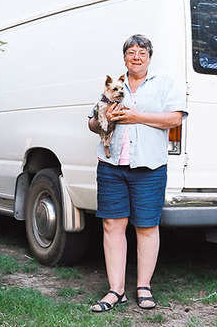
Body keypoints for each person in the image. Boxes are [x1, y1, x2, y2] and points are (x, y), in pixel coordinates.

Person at [87, 34, 186, 312]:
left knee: (146, 226)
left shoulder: (164, 84)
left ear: (150, 57)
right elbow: (93, 123)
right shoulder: (113, 87)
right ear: (125, 58)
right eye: (131, 52)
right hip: (112, 166)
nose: (137, 56)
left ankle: (144, 287)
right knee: (112, 225)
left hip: (149, 166)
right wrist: (103, 121)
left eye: (142, 52)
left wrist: (135, 116)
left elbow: (175, 118)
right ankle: (115, 290)